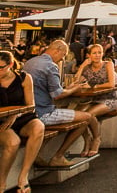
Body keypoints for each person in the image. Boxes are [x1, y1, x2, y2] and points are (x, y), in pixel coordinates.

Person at [22, 40, 96, 167]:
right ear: (57, 50)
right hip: (43, 113)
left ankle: (38, 153)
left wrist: (69, 87)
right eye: (63, 55)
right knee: (87, 118)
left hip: (28, 113)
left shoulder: (30, 62)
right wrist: (75, 88)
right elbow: (58, 95)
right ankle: (58, 156)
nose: (62, 60)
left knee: (65, 119)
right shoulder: (51, 66)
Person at [0, 51, 44, 193]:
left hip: (22, 118)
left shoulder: (24, 78)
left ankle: (23, 177)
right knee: (13, 142)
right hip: (2, 123)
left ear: (11, 64)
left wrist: (15, 114)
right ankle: (1, 183)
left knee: (38, 127)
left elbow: (30, 105)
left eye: (1, 67)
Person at [74, 43, 117, 157]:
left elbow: (111, 84)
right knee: (79, 115)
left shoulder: (108, 64)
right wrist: (82, 66)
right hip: (93, 100)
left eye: (99, 52)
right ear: (89, 55)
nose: (97, 55)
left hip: (110, 99)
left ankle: (96, 139)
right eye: (94, 53)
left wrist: (93, 87)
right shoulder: (87, 68)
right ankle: (87, 139)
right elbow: (76, 81)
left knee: (89, 114)